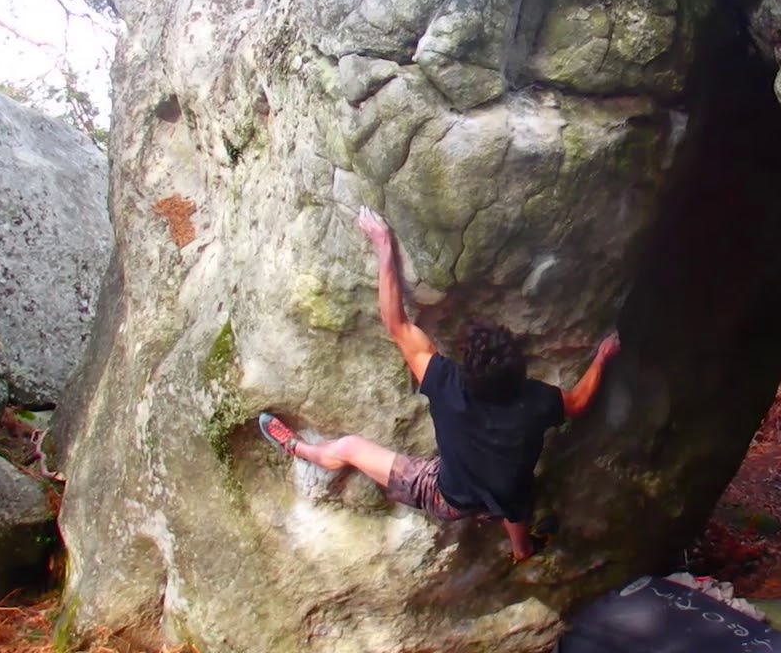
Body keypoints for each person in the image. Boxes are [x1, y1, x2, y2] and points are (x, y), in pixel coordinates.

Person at [258, 206, 621, 562]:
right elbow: (578, 402)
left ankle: (304, 451)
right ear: (519, 373)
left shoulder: (447, 384)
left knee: (351, 447)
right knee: (516, 500)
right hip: (506, 499)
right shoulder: (537, 402)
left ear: (468, 370)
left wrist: (384, 248)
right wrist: (602, 357)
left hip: (449, 497)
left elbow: (395, 324)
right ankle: (521, 549)